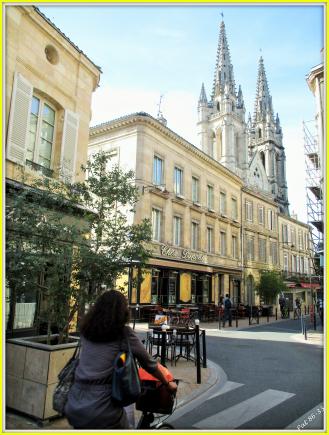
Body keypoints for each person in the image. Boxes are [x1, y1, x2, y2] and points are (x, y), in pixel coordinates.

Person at [64, 290, 177, 429]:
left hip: (75, 402)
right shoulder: (124, 333)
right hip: (102, 408)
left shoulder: (87, 331)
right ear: (122, 311)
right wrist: (167, 383)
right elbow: (149, 364)